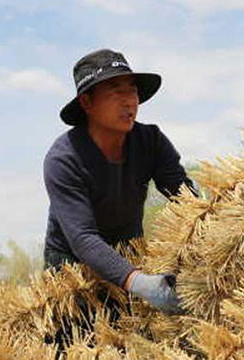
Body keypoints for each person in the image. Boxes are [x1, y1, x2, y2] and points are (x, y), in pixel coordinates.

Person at [43, 49, 194, 316]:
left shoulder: (151, 142)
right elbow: (83, 237)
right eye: (116, 91)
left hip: (129, 253)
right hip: (72, 267)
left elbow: (185, 198)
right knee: (74, 344)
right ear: (87, 102)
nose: (129, 101)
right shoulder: (64, 159)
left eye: (132, 91)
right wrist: (141, 283)